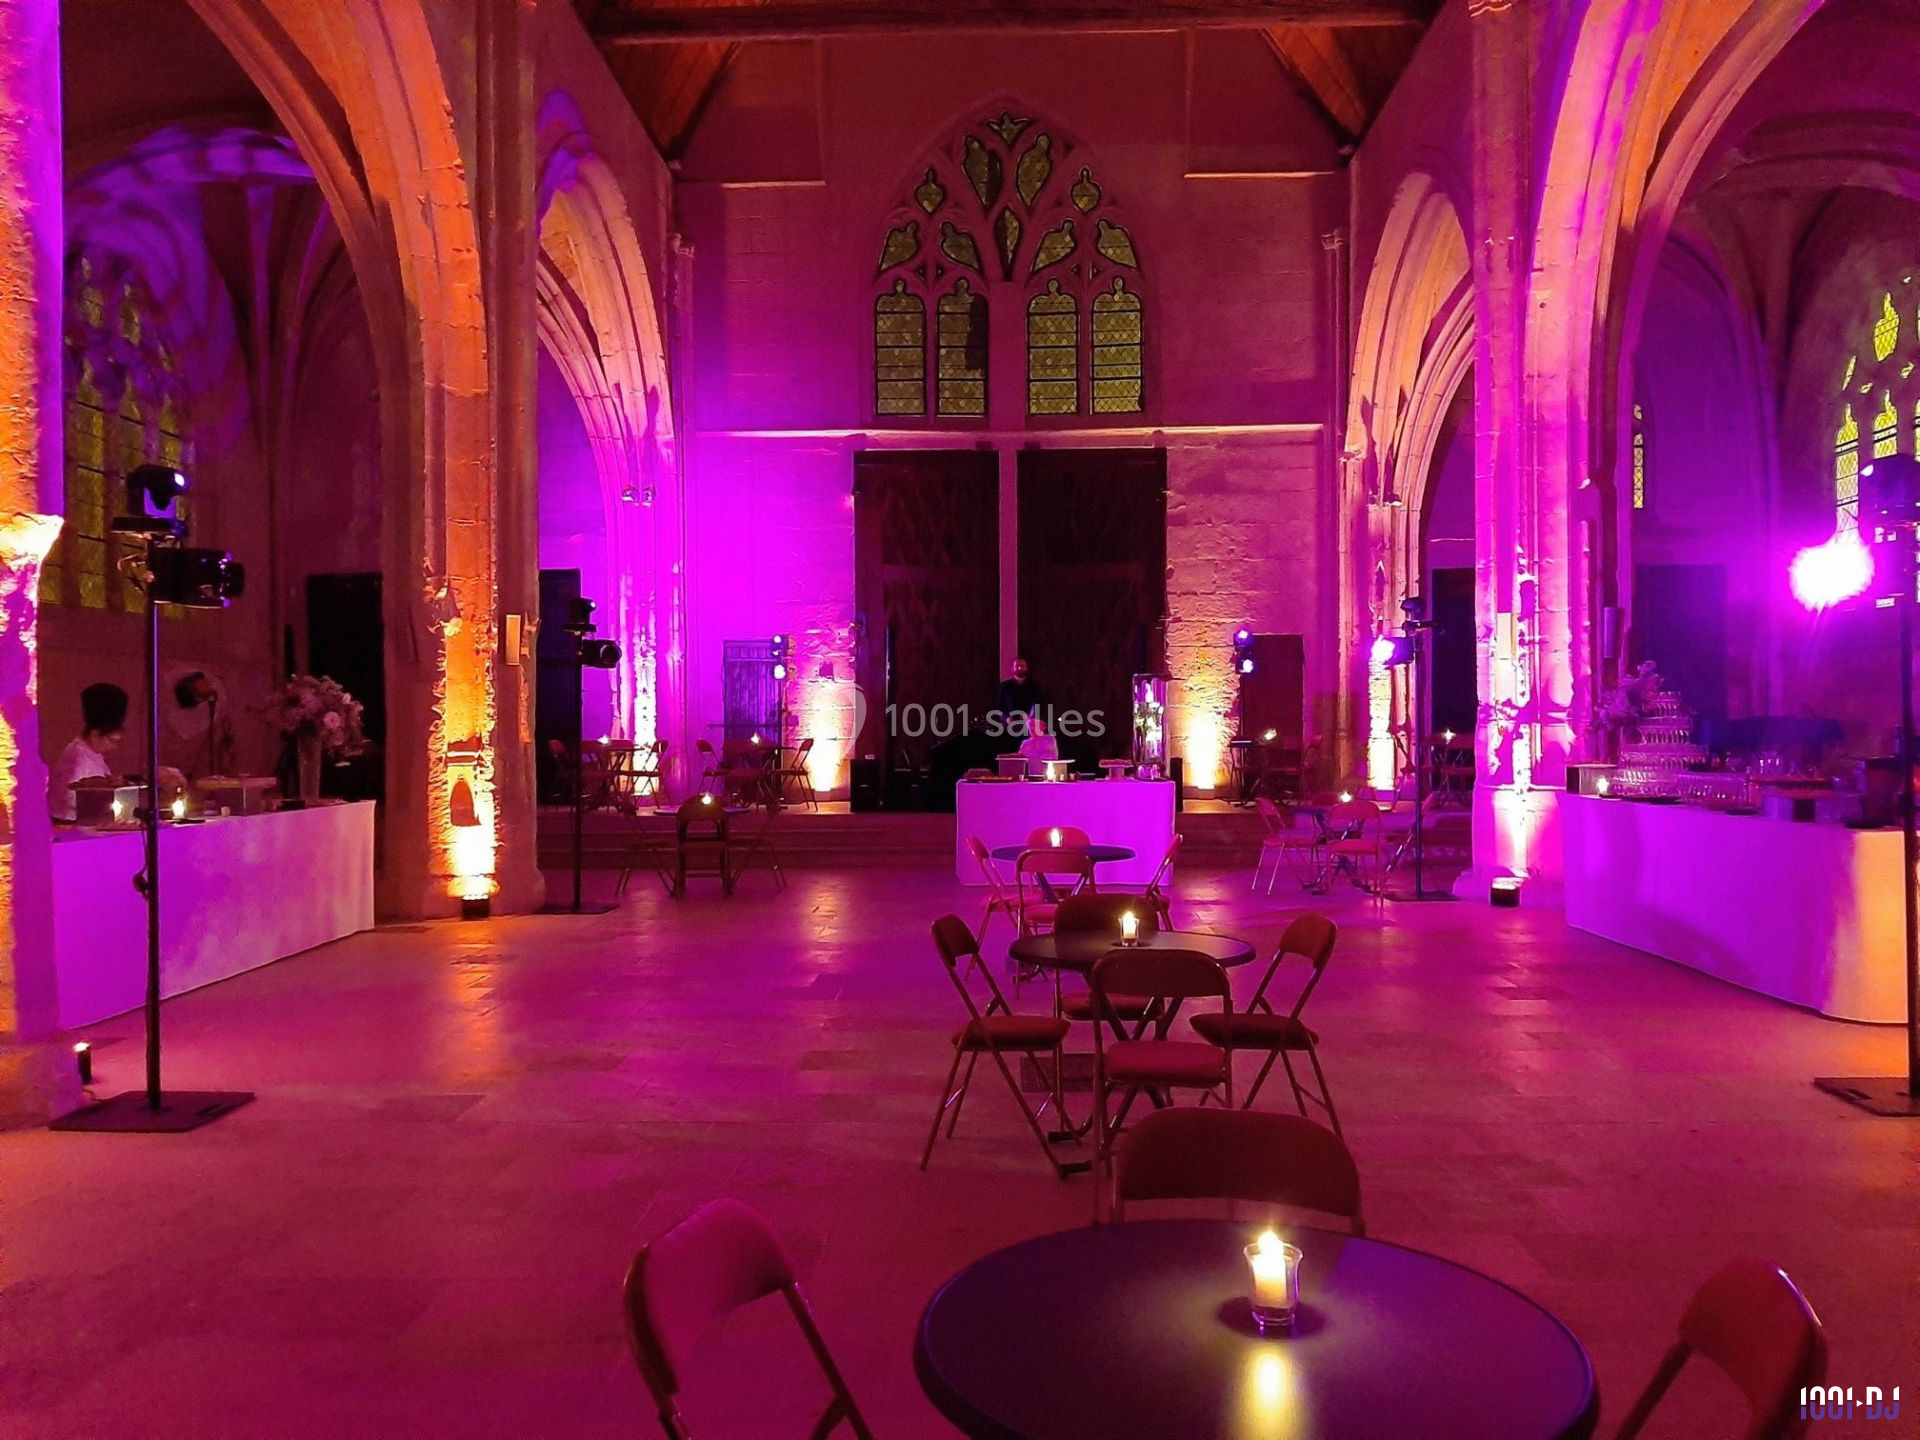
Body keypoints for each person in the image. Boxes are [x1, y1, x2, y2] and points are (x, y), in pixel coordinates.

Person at [49, 682, 128, 822]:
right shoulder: (76, 756)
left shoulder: (95, 755)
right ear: (95, 734)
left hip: (89, 820)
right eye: (111, 740)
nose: (113, 747)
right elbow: (69, 796)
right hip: (68, 821)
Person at [993, 657, 1044, 727]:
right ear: (1013, 668)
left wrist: (1030, 716)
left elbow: (1038, 703)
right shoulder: (1005, 686)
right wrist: (1006, 718)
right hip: (1008, 725)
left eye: (1022, 666)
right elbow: (999, 705)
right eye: (1017, 666)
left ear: (1026, 668)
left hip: (1029, 724)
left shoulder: (1034, 686)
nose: (1019, 668)